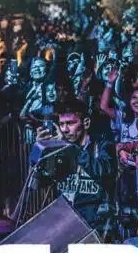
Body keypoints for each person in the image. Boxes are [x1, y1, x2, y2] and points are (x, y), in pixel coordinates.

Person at [30, 99, 116, 234]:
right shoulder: (59, 149)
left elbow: (104, 170)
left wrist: (71, 148)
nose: (64, 130)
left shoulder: (102, 145)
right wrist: (40, 150)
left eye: (70, 123)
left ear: (86, 123)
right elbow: (36, 184)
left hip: (95, 225)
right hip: (65, 223)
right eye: (61, 124)